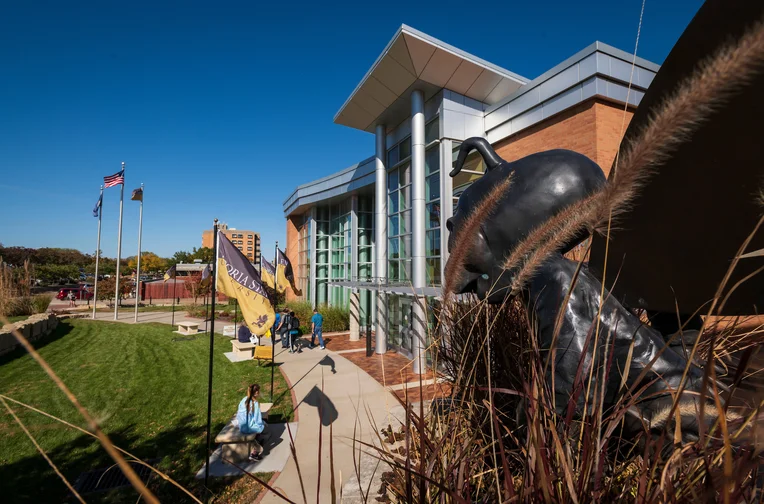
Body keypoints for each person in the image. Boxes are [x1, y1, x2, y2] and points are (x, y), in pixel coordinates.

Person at [235, 383, 265, 461]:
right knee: (261, 426)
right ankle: (254, 452)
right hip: (249, 427)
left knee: (260, 426)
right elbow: (257, 419)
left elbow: (239, 413)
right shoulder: (255, 403)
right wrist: (261, 425)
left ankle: (257, 441)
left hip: (242, 426)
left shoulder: (244, 400)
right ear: (256, 392)